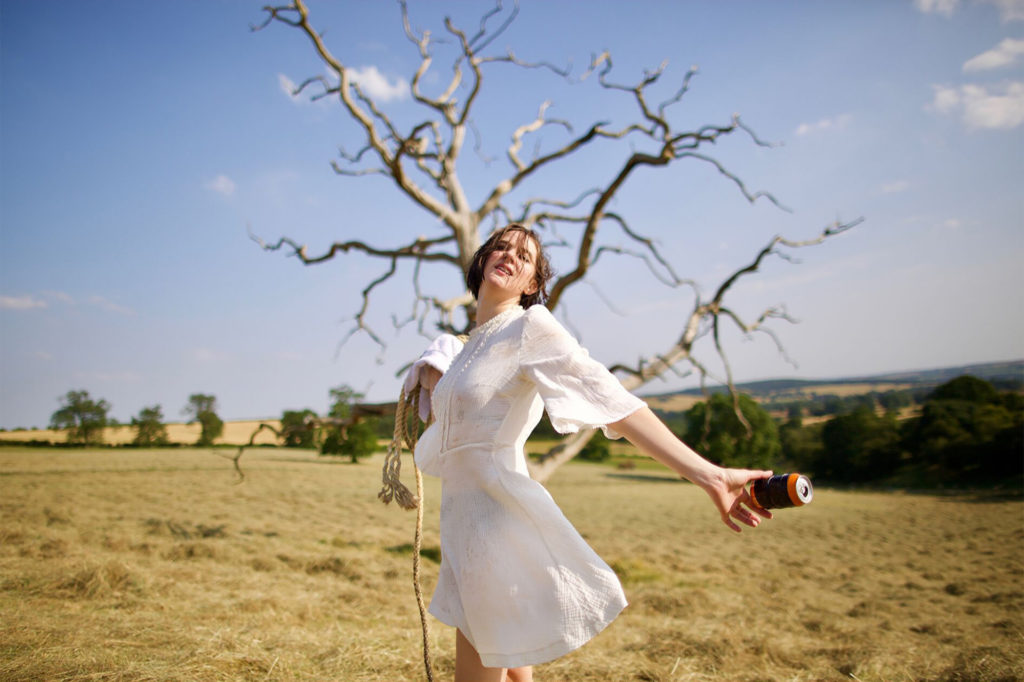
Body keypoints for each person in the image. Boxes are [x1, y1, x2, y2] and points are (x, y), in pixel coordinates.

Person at [403, 224, 773, 682]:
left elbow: (611, 401)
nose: (510, 256)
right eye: (501, 247)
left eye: (525, 257)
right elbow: (452, 438)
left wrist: (709, 475)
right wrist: (435, 374)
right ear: (481, 261)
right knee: (513, 664)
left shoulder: (529, 327)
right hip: (463, 522)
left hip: (497, 520)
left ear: (533, 284)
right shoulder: (465, 349)